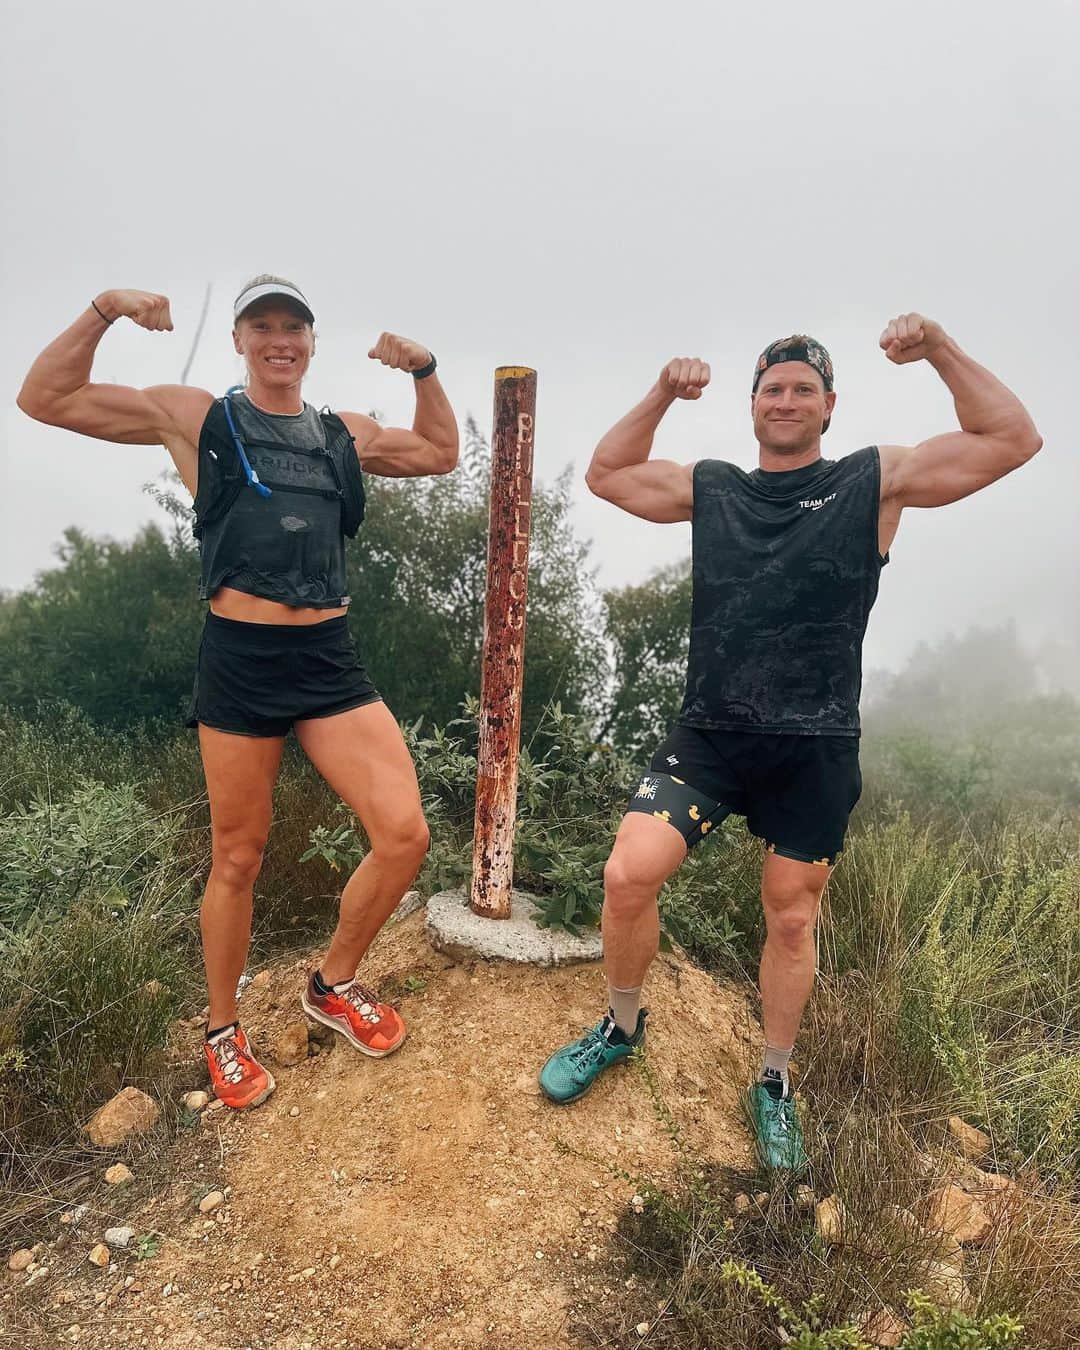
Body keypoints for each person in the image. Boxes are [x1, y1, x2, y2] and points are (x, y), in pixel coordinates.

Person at [537, 315, 1041, 1170]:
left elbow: (1012, 438)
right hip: (712, 734)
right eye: (773, 387)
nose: (786, 399)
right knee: (627, 876)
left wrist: (942, 351)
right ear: (752, 405)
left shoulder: (873, 482)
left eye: (803, 388)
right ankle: (622, 1026)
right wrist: (662, 390)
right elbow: (608, 473)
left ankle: (772, 1084)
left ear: (829, 406)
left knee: (793, 919)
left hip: (814, 744)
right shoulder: (716, 488)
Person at [18, 276, 459, 1110]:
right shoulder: (197, 416)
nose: (279, 338)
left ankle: (332, 984)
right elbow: (45, 398)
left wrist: (426, 370)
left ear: (312, 342)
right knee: (239, 855)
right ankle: (222, 1030)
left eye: (293, 325)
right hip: (241, 658)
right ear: (239, 339)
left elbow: (440, 453)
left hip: (328, 658)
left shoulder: (340, 433)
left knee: (403, 836)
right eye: (262, 325)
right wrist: (106, 308)